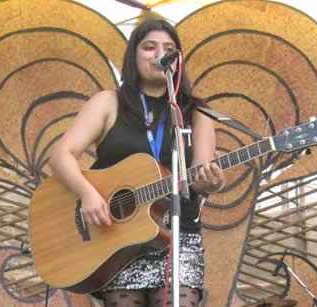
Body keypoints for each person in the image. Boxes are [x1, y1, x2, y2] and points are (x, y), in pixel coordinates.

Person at [48, 18, 225, 307]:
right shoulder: (108, 102)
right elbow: (61, 156)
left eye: (169, 48)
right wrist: (88, 194)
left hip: (176, 238)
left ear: (177, 60)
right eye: (149, 47)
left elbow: (204, 174)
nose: (159, 53)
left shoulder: (197, 112)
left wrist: (212, 182)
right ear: (134, 55)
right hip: (117, 240)